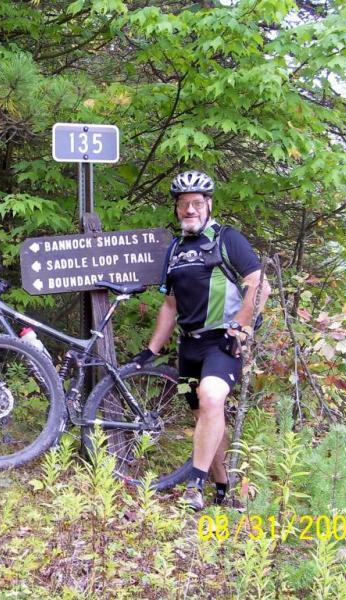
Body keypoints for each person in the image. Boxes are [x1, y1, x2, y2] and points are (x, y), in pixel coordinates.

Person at [131, 170, 271, 510]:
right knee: (204, 414)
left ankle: (194, 484)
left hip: (223, 342)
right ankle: (223, 486)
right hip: (187, 349)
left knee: (211, 398)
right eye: (183, 204)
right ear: (177, 209)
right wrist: (150, 351)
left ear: (208, 205)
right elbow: (169, 305)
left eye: (196, 203)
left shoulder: (226, 238)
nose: (189, 210)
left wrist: (240, 327)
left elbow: (259, 283)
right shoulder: (175, 249)